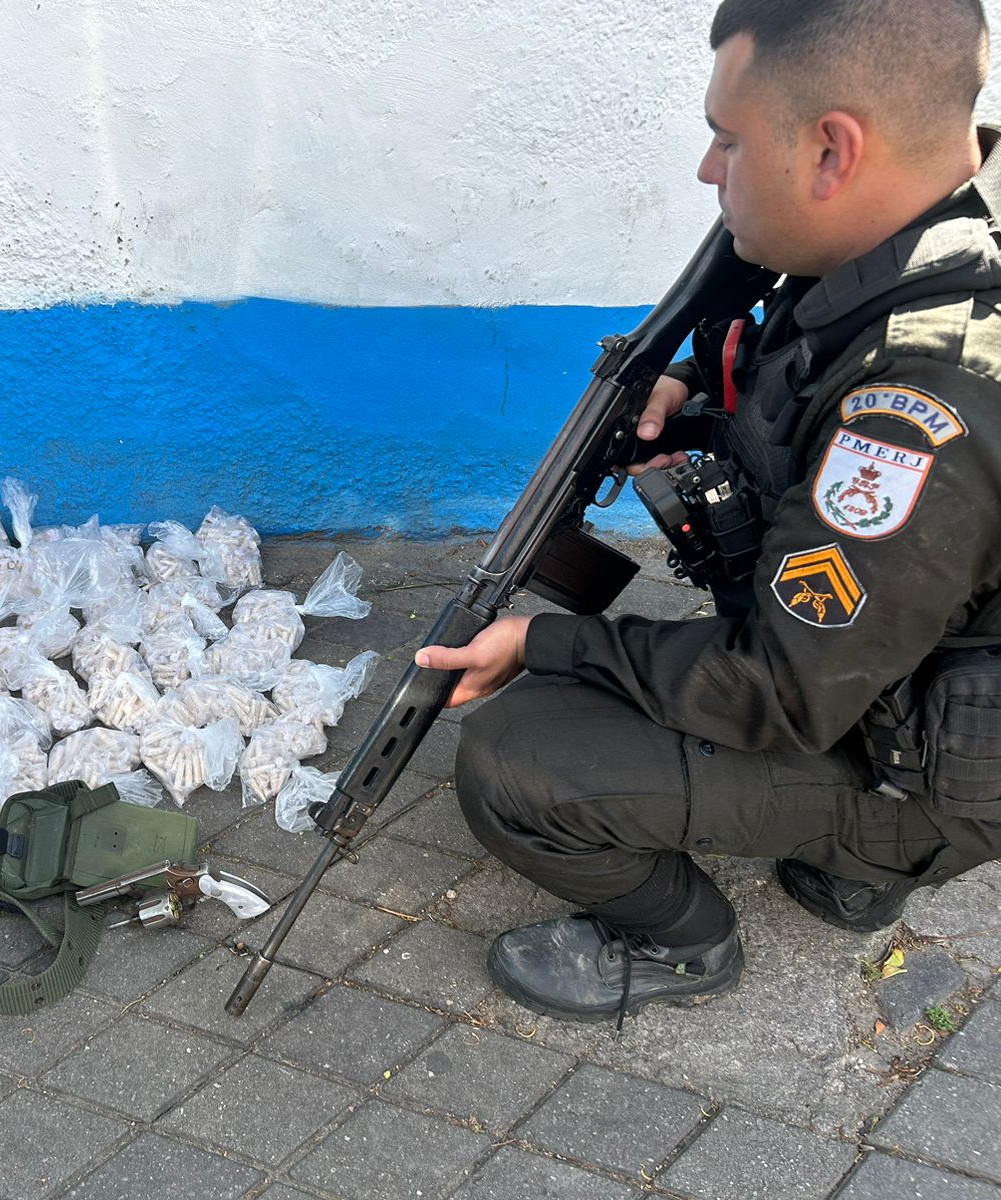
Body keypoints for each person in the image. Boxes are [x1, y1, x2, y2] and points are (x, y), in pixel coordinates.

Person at [417, 0, 1001, 1024]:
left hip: (930, 760)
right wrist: (702, 387)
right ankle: (854, 867)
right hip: (910, 666)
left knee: (517, 762)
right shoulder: (926, 240)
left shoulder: (920, 408)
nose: (706, 170)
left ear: (832, 149)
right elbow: (809, 367)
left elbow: (777, 690)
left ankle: (682, 941)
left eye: (726, 141)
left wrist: (548, 646)